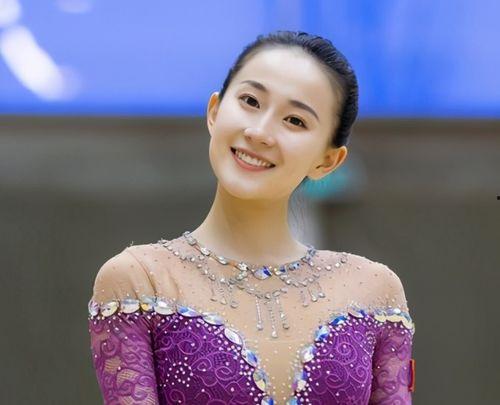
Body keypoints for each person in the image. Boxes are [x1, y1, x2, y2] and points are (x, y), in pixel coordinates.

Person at [87, 30, 416, 404]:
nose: (259, 133)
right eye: (250, 101)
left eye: (295, 121)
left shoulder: (374, 291)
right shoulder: (140, 281)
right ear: (215, 111)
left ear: (328, 161)